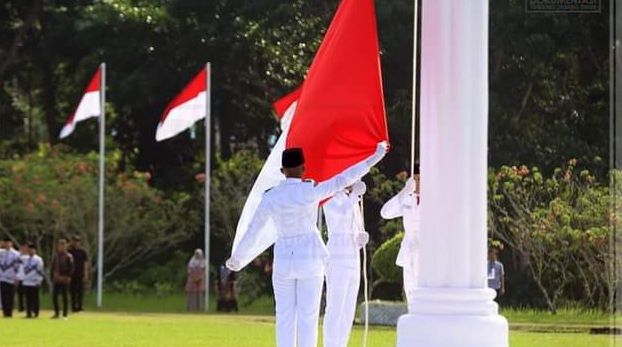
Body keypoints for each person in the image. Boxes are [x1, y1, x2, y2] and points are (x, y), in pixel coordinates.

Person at [226, 142, 387, 347]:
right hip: (310, 259)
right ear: (303, 168)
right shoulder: (310, 190)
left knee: (284, 317)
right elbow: (344, 178)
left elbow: (253, 230)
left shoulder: (271, 197)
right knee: (308, 318)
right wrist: (376, 155)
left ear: (283, 171)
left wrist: (238, 258)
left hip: (284, 260)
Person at [323, 181, 369, 347]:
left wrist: (360, 238)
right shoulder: (331, 194)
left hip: (353, 256)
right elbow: (339, 215)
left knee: (348, 309)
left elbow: (355, 227)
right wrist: (354, 196)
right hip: (337, 255)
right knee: (335, 307)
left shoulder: (354, 200)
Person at [380, 169, 421, 304]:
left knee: (424, 295)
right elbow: (385, 212)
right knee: (411, 294)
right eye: (414, 179)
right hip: (409, 252)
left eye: (419, 179)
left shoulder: (434, 199)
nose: (417, 183)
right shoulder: (407, 199)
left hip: (427, 252)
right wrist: (404, 192)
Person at [17, 243, 44, 318]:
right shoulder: (24, 258)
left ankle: (36, 312)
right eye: (29, 249)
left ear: (35, 250)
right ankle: (28, 313)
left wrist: (39, 280)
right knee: (27, 299)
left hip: (34, 281)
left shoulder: (38, 259)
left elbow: (41, 271)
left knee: (35, 298)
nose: (30, 251)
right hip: (26, 281)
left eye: (32, 249)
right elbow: (18, 262)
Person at [51, 239, 74, 319]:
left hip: (65, 278)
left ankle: (65, 313)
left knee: (65, 296)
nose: (61, 247)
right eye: (59, 246)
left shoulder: (68, 256)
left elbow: (71, 268)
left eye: (62, 246)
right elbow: (53, 267)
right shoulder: (56, 256)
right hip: (56, 279)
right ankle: (56, 312)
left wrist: (67, 276)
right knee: (54, 296)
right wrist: (53, 276)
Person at [68, 236, 90, 312]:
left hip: (80, 274)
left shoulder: (82, 252)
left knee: (80, 291)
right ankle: (73, 307)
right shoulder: (69, 251)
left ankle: (80, 306)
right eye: (75, 241)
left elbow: (85, 263)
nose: (76, 243)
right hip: (72, 274)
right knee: (72, 291)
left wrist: (86, 274)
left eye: (78, 241)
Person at [0, 237, 20, 317]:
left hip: (11, 278)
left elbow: (18, 267)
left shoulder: (16, 254)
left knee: (10, 296)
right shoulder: (1, 253)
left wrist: (17, 277)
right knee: (3, 296)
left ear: (11, 244)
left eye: (8, 243)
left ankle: (9, 312)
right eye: (5, 243)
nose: (7, 245)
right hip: (2, 277)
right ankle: (5, 312)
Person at [17, 243, 29, 312]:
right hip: (20, 278)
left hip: (28, 279)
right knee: (20, 294)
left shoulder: (30, 257)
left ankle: (30, 307)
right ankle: (21, 307)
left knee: (28, 295)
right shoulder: (19, 257)